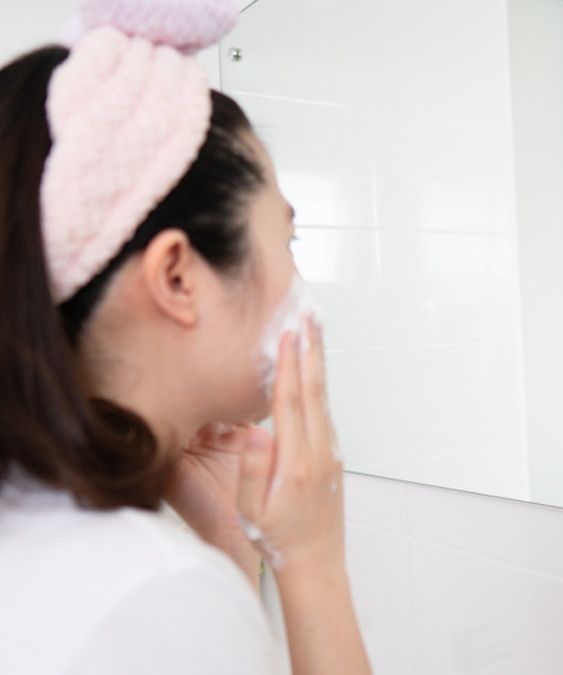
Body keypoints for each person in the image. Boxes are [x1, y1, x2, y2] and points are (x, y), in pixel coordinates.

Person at [0, 1, 371, 672]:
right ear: (176, 276)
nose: (301, 285)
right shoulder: (154, 593)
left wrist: (229, 542)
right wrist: (312, 561)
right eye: (287, 240)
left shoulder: (44, 535)